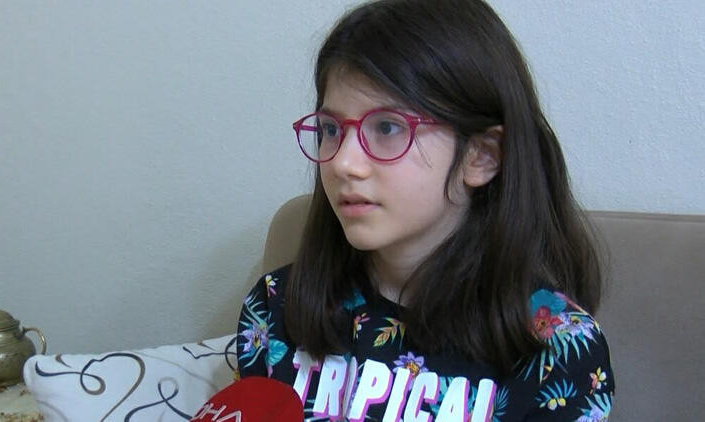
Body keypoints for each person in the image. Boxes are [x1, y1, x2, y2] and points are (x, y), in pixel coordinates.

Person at [236, 0, 615, 420]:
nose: (343, 163)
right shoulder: (274, 308)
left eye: (387, 127)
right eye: (331, 129)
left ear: (482, 156)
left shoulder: (559, 351)